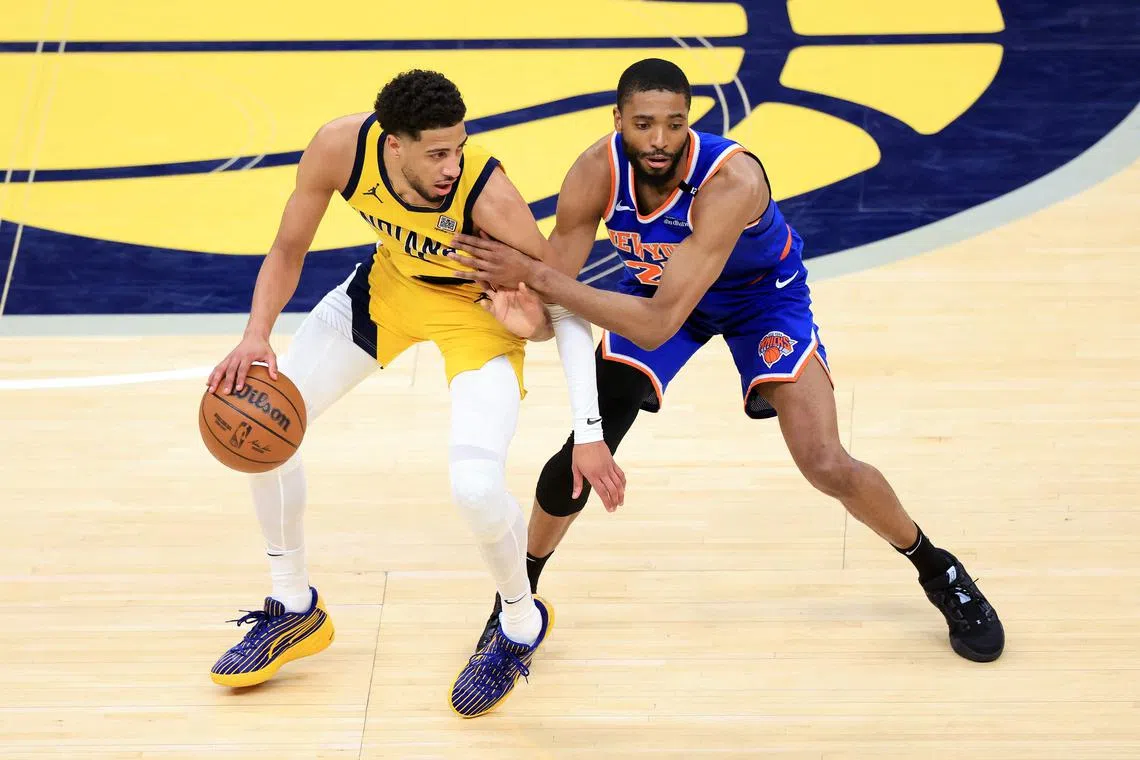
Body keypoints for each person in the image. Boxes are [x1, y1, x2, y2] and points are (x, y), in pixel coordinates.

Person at [449, 58, 1005, 664]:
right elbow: (553, 300)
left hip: (758, 300)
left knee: (825, 463)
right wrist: (519, 306)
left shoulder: (732, 180)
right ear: (617, 120)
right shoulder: (594, 171)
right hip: (660, 291)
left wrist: (534, 276)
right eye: (643, 124)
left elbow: (649, 318)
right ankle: (519, 598)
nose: (659, 140)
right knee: (580, 453)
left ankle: (938, 569)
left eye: (674, 123)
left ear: (691, 120)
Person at [204, 69, 625, 718]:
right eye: (437, 153)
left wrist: (589, 430)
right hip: (388, 293)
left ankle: (519, 621)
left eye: (459, 147)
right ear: (391, 145)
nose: (453, 164)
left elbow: (561, 313)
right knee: (269, 424)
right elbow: (289, 248)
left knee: (477, 490)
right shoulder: (340, 149)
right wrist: (256, 336)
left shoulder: (491, 196)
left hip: (478, 317)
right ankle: (292, 608)